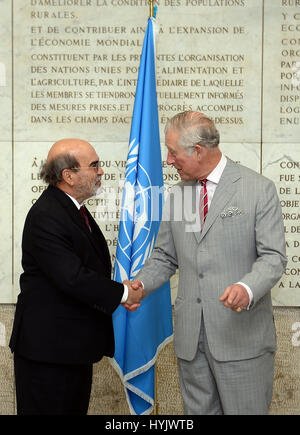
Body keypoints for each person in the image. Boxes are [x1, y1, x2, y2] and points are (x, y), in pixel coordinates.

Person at [129, 111, 287, 415]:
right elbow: (165, 256)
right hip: (191, 342)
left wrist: (246, 287)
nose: (169, 160)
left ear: (197, 150)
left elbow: (273, 257)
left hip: (240, 340)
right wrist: (141, 284)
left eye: (173, 153)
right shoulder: (178, 195)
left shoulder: (257, 189)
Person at [9, 138, 143, 415]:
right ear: (68, 176)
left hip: (70, 348)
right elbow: (72, 277)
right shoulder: (48, 215)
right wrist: (124, 294)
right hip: (48, 354)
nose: (101, 171)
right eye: (94, 165)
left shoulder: (71, 209)